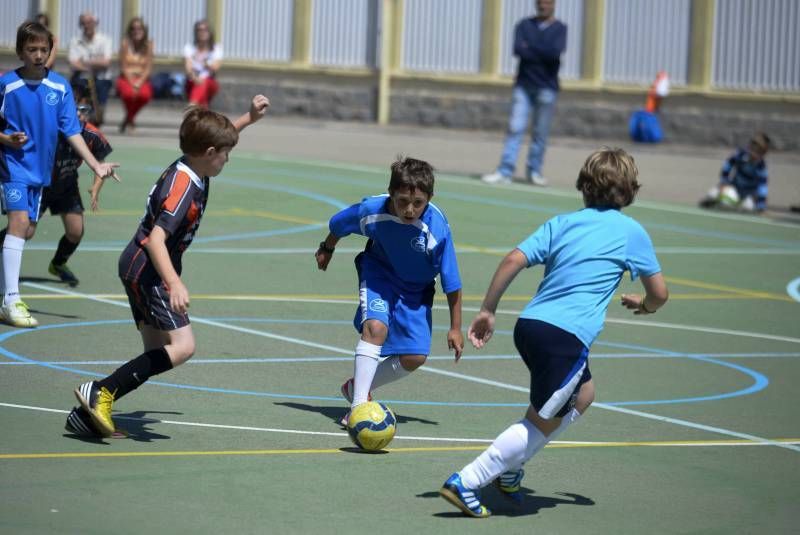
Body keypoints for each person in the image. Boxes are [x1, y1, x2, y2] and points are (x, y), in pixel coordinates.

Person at [439, 147, 668, 518]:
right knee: (539, 420)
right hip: (565, 337)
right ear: (629, 191)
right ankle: (467, 480)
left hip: (531, 328)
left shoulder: (562, 222)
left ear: (584, 186)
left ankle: (510, 471)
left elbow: (514, 258)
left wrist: (488, 310)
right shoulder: (631, 232)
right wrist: (645, 305)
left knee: (584, 394)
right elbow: (660, 294)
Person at [70, 94, 270, 438]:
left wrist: (248, 118)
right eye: (226, 154)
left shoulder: (192, 163)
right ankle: (99, 392)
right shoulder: (183, 188)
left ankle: (85, 415)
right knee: (183, 346)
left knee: (155, 353)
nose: (227, 159)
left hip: (135, 265)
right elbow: (156, 240)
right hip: (149, 269)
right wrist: (174, 284)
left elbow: (219, 138)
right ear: (209, 154)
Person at [315, 157, 464, 427]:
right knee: (375, 328)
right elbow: (338, 224)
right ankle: (359, 406)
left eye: (418, 203)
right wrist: (327, 248)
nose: (409, 210)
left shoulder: (436, 230)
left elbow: (451, 282)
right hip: (379, 273)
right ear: (391, 194)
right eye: (402, 201)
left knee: (415, 356)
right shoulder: (373, 211)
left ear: (429, 199)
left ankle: (355, 388)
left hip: (416, 291)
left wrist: (455, 328)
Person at [0, 21, 119, 328]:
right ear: (20, 51)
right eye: (32, 49)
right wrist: (5, 140)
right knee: (20, 224)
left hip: (41, 172)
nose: (38, 55)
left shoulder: (60, 87)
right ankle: (11, 299)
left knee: (25, 231)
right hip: (12, 165)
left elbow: (72, 131)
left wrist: (96, 165)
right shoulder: (7, 85)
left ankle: (7, 295)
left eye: (44, 49)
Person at [482, 0, 567, 187]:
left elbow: (554, 53)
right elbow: (518, 50)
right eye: (540, 2)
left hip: (547, 88)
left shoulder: (560, 28)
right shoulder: (524, 25)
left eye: (547, 3)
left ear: (553, 4)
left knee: (540, 132)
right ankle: (505, 170)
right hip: (523, 86)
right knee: (515, 127)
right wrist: (537, 51)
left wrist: (532, 48)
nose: (543, 6)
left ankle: (534, 171)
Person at [698, 132, 771, 213]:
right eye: (752, 150)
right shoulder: (740, 154)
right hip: (734, 188)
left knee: (748, 207)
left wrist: (761, 206)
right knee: (713, 195)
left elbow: (762, 187)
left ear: (763, 154)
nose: (753, 154)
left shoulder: (761, 167)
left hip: (748, 194)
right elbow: (728, 165)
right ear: (749, 147)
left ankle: (735, 203)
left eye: (757, 153)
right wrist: (724, 182)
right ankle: (717, 200)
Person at [68, 11, 113, 126]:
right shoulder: (75, 41)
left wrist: (85, 62)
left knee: (99, 112)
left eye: (89, 22)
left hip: (102, 78)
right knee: (78, 88)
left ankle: (97, 116)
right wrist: (95, 63)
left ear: (95, 23)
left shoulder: (105, 40)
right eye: (83, 23)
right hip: (81, 77)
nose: (87, 25)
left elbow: (106, 63)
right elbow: (73, 63)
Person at [116, 17, 154, 133]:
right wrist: (132, 82)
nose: (136, 31)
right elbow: (123, 66)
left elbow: (148, 68)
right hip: (126, 78)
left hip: (142, 79)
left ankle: (128, 118)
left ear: (144, 30)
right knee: (128, 94)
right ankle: (131, 121)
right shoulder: (125, 44)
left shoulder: (149, 45)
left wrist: (139, 82)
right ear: (130, 31)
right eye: (133, 29)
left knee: (145, 95)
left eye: (139, 28)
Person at [184, 19, 222, 108]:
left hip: (210, 82)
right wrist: (195, 78)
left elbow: (215, 67)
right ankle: (202, 111)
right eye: (199, 30)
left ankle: (191, 107)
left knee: (204, 82)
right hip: (192, 81)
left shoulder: (216, 49)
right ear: (196, 32)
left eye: (205, 30)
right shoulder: (190, 48)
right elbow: (188, 68)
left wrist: (205, 63)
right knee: (201, 87)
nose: (202, 32)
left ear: (210, 32)